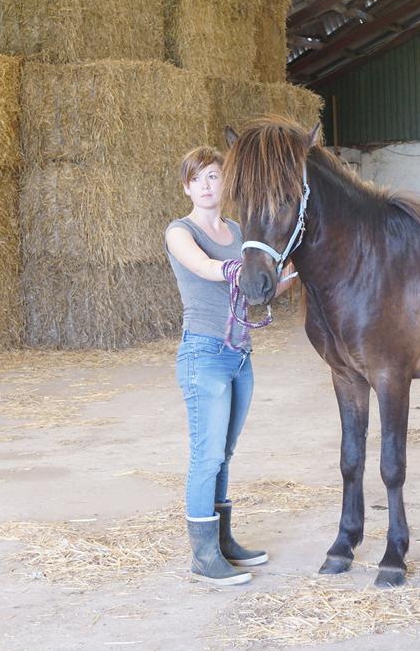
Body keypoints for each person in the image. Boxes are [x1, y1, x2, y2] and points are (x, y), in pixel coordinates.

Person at [164, 145, 291, 586]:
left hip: (240, 355)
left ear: (225, 183)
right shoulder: (179, 231)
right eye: (197, 179)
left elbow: (256, 285)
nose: (205, 186)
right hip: (204, 354)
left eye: (213, 177)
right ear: (186, 187)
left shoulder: (238, 229)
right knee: (207, 455)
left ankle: (222, 541)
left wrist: (284, 275)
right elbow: (205, 268)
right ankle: (202, 558)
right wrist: (240, 268)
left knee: (225, 454)